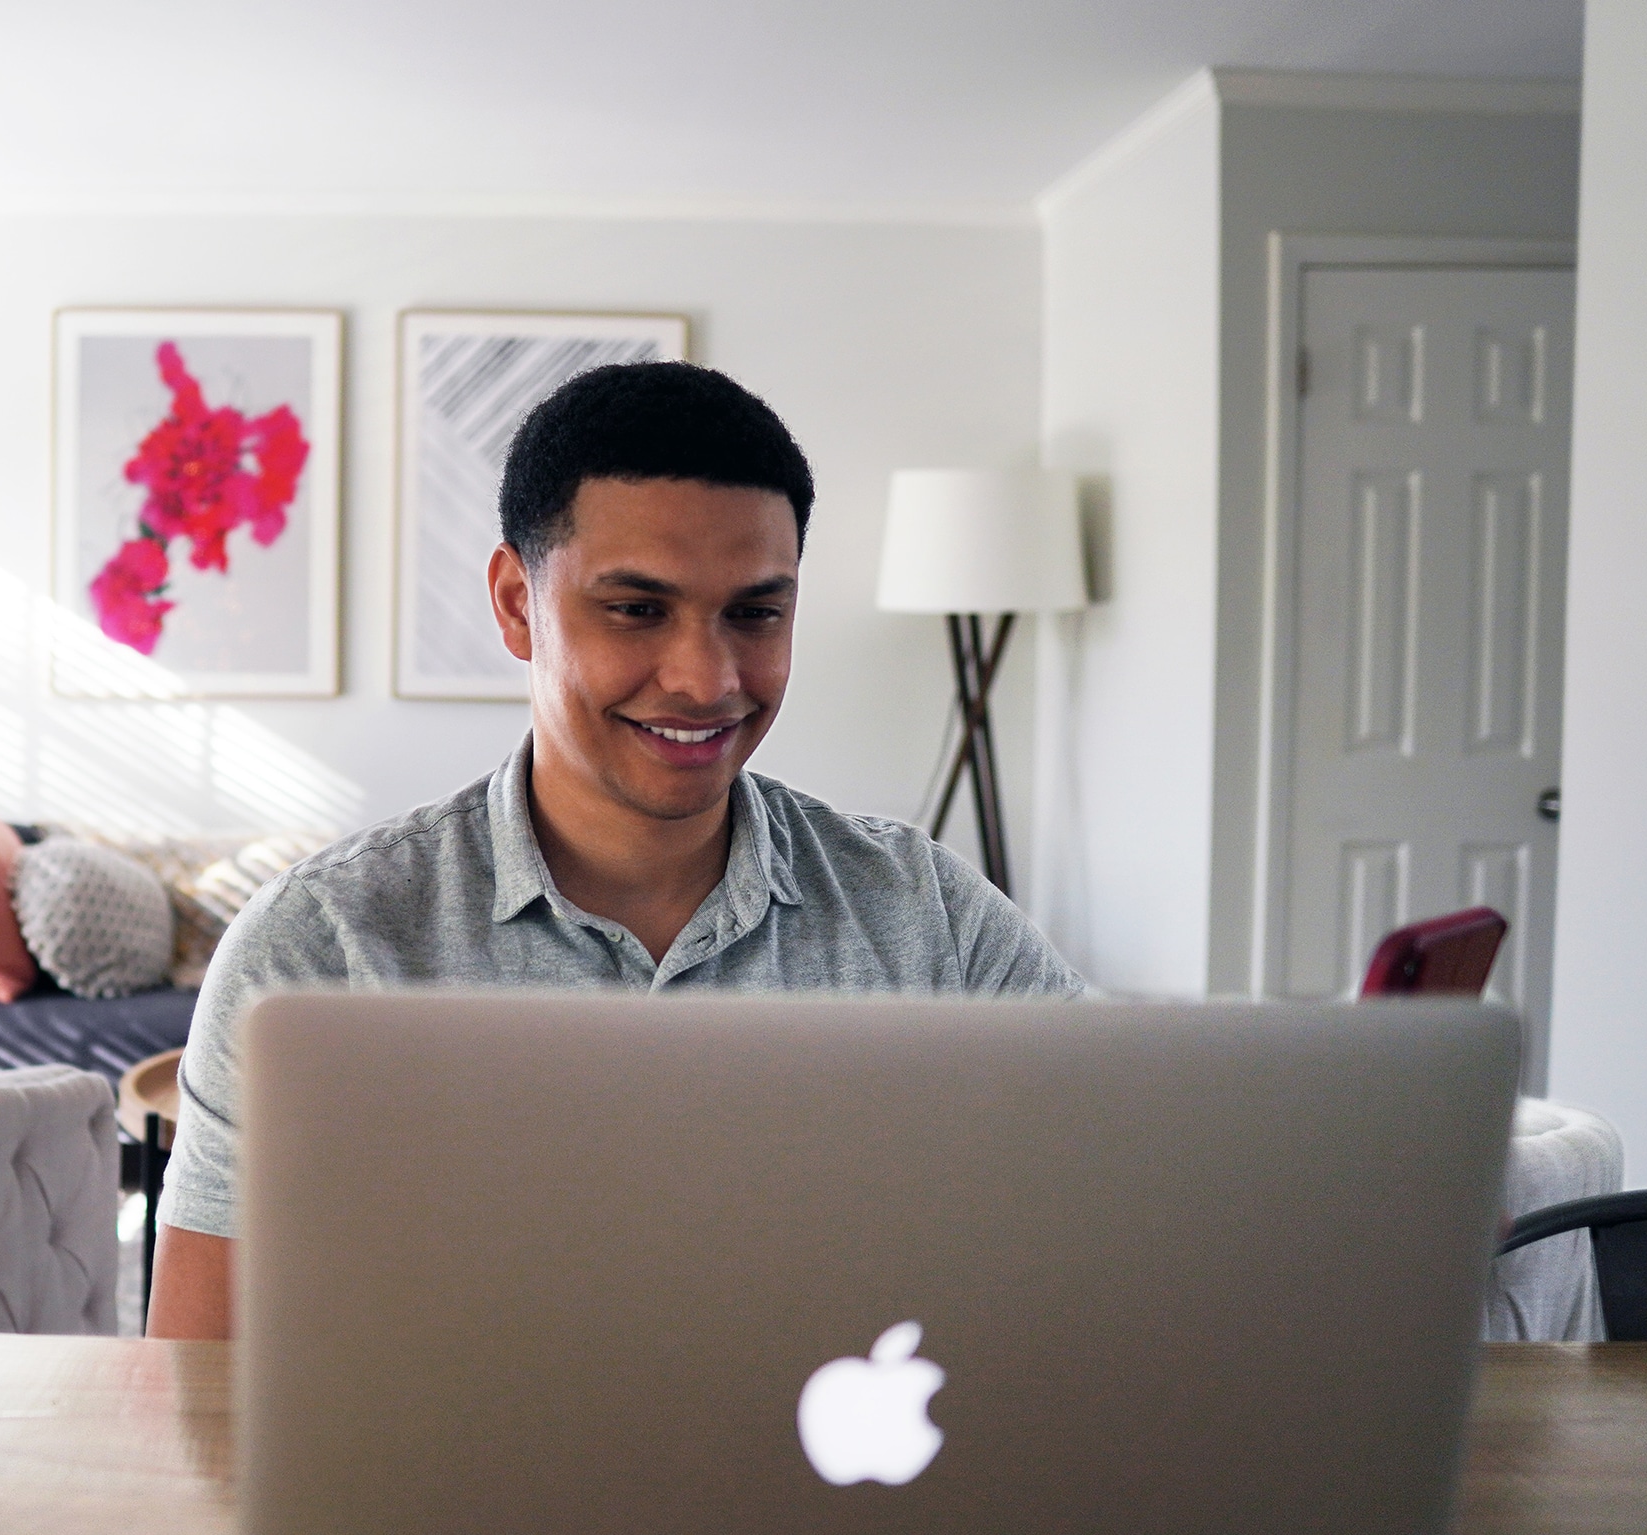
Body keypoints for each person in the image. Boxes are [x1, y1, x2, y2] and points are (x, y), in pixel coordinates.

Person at [145, 362, 1083, 1340]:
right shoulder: (321, 946)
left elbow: (1122, 1204)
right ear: (516, 603)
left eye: (755, 613)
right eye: (637, 610)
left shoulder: (924, 914)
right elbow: (190, 1393)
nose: (705, 678)